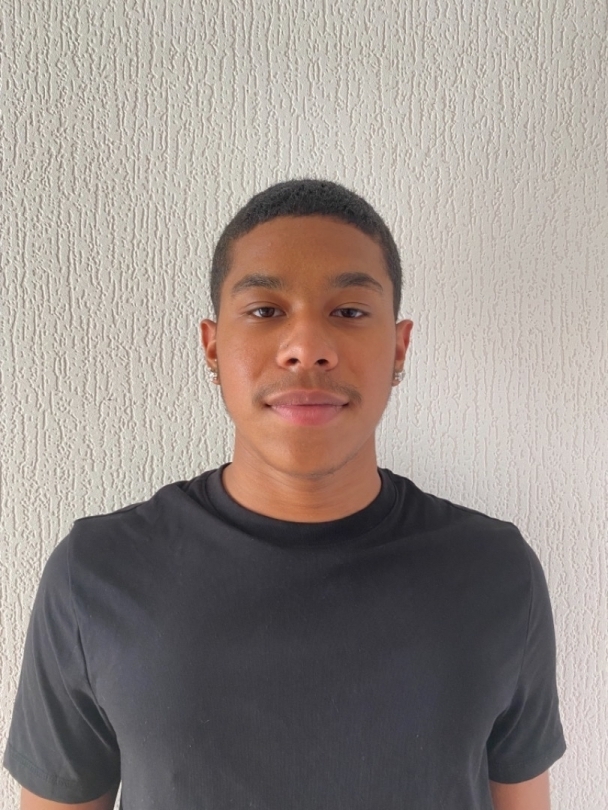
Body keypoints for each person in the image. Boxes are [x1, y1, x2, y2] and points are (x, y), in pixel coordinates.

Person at [4, 179, 566, 810]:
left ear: (399, 346)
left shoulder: (496, 572)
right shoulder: (97, 574)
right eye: (265, 311)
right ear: (213, 346)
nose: (307, 349)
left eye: (349, 311)